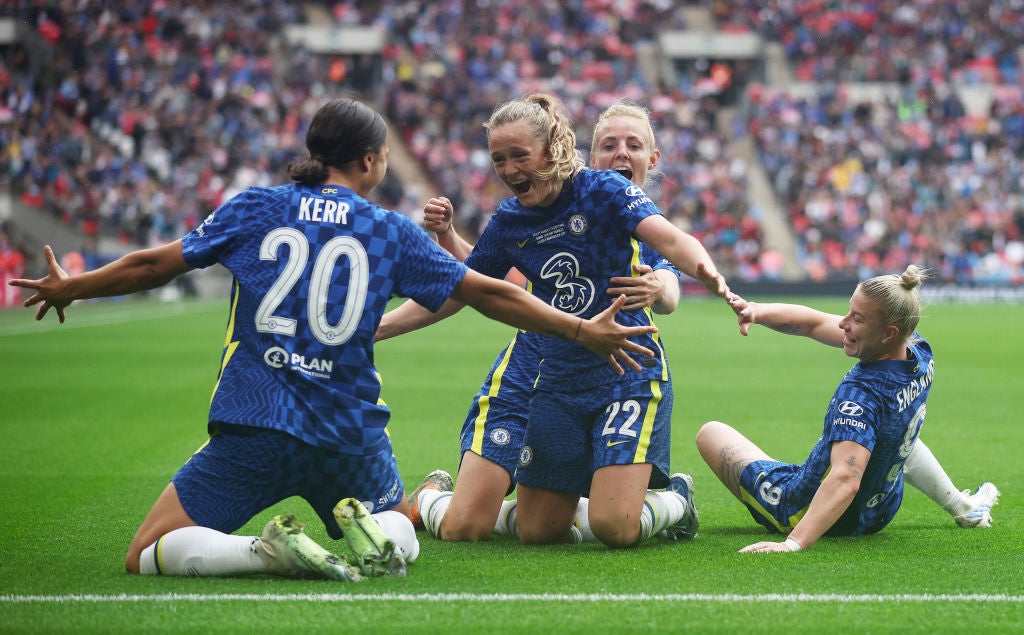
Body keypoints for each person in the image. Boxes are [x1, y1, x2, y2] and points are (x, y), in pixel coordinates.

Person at [8, 97, 658, 580]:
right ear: (372, 160)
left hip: (253, 424)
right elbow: (486, 290)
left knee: (146, 551)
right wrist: (580, 326)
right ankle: (379, 529)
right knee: (400, 532)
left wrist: (74, 285)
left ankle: (262, 554)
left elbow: (154, 263)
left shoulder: (254, 207)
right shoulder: (387, 230)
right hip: (349, 435)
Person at [376, 92, 733, 549]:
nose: (507, 170)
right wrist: (378, 327)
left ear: (552, 150)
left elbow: (673, 254)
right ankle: (452, 500)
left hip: (624, 366)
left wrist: (709, 275)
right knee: (531, 530)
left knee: (614, 526)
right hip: (550, 370)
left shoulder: (608, 195)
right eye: (498, 159)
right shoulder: (511, 220)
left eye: (518, 156)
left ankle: (672, 501)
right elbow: (466, 287)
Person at [696, 265, 997, 554]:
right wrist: (757, 312)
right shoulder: (918, 353)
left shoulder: (860, 395)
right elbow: (812, 324)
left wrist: (793, 543)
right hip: (881, 508)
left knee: (710, 434)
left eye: (857, 318)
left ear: (888, 333)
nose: (843, 323)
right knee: (894, 431)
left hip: (817, 513)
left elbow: (846, 479)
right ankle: (962, 507)